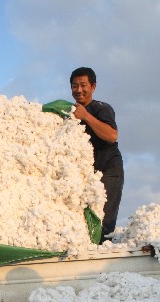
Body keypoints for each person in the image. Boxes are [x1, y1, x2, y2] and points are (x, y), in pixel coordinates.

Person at [70, 67, 124, 243]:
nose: (79, 90)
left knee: (104, 219)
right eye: (74, 86)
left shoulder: (101, 109)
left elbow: (112, 135)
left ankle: (102, 261)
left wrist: (86, 116)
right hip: (89, 173)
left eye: (83, 85)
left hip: (109, 169)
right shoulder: (71, 113)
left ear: (93, 87)